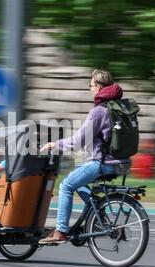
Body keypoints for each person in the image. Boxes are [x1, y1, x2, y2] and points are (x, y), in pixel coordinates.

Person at [38, 69, 125, 244]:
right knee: (77, 174)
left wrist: (56, 145)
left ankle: (60, 231)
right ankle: (98, 216)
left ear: (99, 87)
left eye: (91, 85)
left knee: (66, 185)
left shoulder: (99, 111)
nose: (90, 89)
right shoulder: (118, 107)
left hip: (101, 162)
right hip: (121, 162)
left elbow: (79, 140)